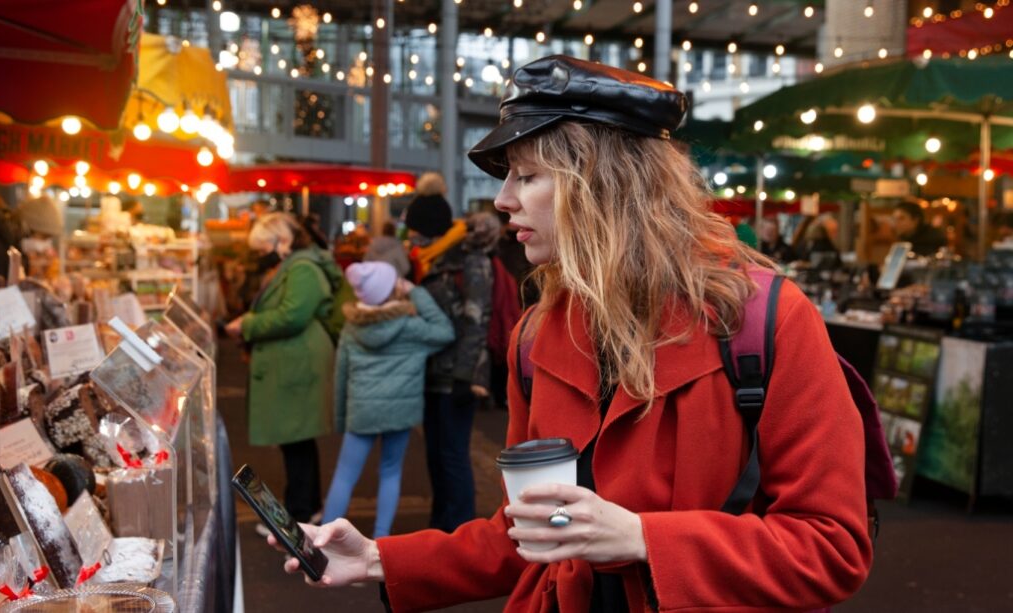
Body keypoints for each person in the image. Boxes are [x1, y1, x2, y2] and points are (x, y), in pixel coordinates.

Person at [269, 56, 872, 611]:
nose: (502, 199)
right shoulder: (537, 336)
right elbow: (529, 534)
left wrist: (641, 538)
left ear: (605, 187)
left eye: (527, 176)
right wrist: (378, 557)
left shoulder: (767, 322)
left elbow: (831, 546)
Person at [321, 262, 454, 537]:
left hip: (362, 410)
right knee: (391, 471)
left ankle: (323, 539)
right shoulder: (411, 326)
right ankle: (381, 539)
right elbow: (445, 331)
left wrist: (340, 418)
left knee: (345, 475)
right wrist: (416, 292)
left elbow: (341, 375)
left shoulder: (351, 328)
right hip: (399, 412)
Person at [225, 212, 339, 525]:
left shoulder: (302, 268)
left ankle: (300, 515)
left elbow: (292, 316)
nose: (262, 256)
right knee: (297, 441)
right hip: (295, 361)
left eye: (263, 249)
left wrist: (248, 324)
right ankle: (305, 509)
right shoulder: (297, 265)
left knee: (296, 441)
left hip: (298, 364)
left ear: (282, 240)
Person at [405, 180, 497, 531]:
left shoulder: (469, 260)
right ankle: (440, 526)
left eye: (416, 229)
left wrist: (465, 375)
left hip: (458, 375)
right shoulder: (430, 260)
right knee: (435, 455)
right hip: (430, 371)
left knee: (453, 455)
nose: (411, 236)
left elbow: (478, 319)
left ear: (430, 230)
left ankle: (458, 531)